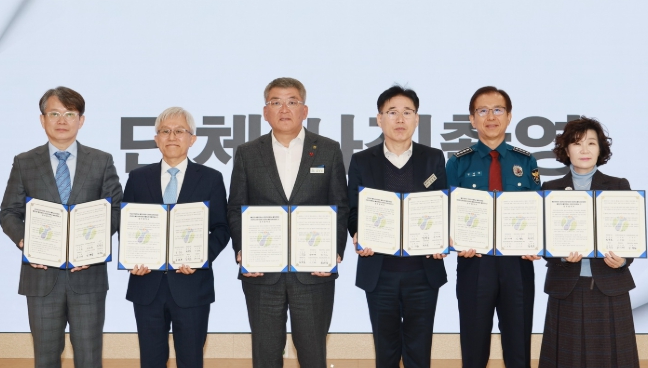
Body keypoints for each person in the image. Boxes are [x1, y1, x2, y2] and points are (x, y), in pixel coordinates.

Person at [227, 77, 348, 368]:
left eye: (292, 102)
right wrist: (244, 251)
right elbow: (236, 208)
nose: (284, 109)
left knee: (313, 354)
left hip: (314, 272)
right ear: (265, 111)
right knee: (266, 355)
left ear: (304, 110)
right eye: (276, 102)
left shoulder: (328, 150)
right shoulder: (247, 152)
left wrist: (333, 252)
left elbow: (340, 205)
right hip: (262, 273)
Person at [0, 87, 122, 368]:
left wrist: (93, 247)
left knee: (89, 358)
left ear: (81, 120)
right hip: (41, 277)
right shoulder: (25, 162)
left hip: (88, 276)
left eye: (70, 114)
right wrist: (26, 242)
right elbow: (9, 212)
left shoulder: (101, 161)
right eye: (54, 113)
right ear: (42, 120)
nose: (62, 120)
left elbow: (115, 210)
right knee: (45, 358)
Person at [347, 85, 448, 368]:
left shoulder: (433, 158)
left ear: (417, 119)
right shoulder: (361, 161)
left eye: (407, 112)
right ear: (380, 119)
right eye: (392, 112)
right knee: (386, 351)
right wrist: (357, 233)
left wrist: (443, 238)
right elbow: (353, 209)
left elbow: (444, 205)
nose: (400, 119)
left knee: (419, 352)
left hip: (423, 271)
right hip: (379, 272)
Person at [123, 107, 230, 368]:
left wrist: (200, 258)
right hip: (146, 284)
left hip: (192, 285)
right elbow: (127, 225)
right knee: (151, 361)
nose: (172, 136)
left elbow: (221, 228)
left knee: (191, 360)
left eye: (180, 131)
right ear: (156, 139)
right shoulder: (138, 178)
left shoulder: (211, 178)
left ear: (192, 139)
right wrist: (131, 260)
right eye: (165, 131)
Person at [445, 86, 541, 368]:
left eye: (498, 110)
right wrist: (453, 239)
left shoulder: (526, 160)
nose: (490, 117)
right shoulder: (458, 162)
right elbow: (445, 211)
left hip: (518, 263)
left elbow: (538, 210)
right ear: (472, 119)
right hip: (475, 262)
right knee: (474, 349)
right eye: (482, 111)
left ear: (509, 116)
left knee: (519, 347)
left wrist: (538, 242)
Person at [539, 117, 639, 368]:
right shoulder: (551, 188)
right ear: (566, 150)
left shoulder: (618, 186)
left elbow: (630, 235)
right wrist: (560, 255)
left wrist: (623, 260)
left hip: (609, 286)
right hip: (567, 287)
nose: (584, 150)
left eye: (591, 143)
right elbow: (543, 241)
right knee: (566, 359)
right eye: (577, 143)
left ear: (600, 149)